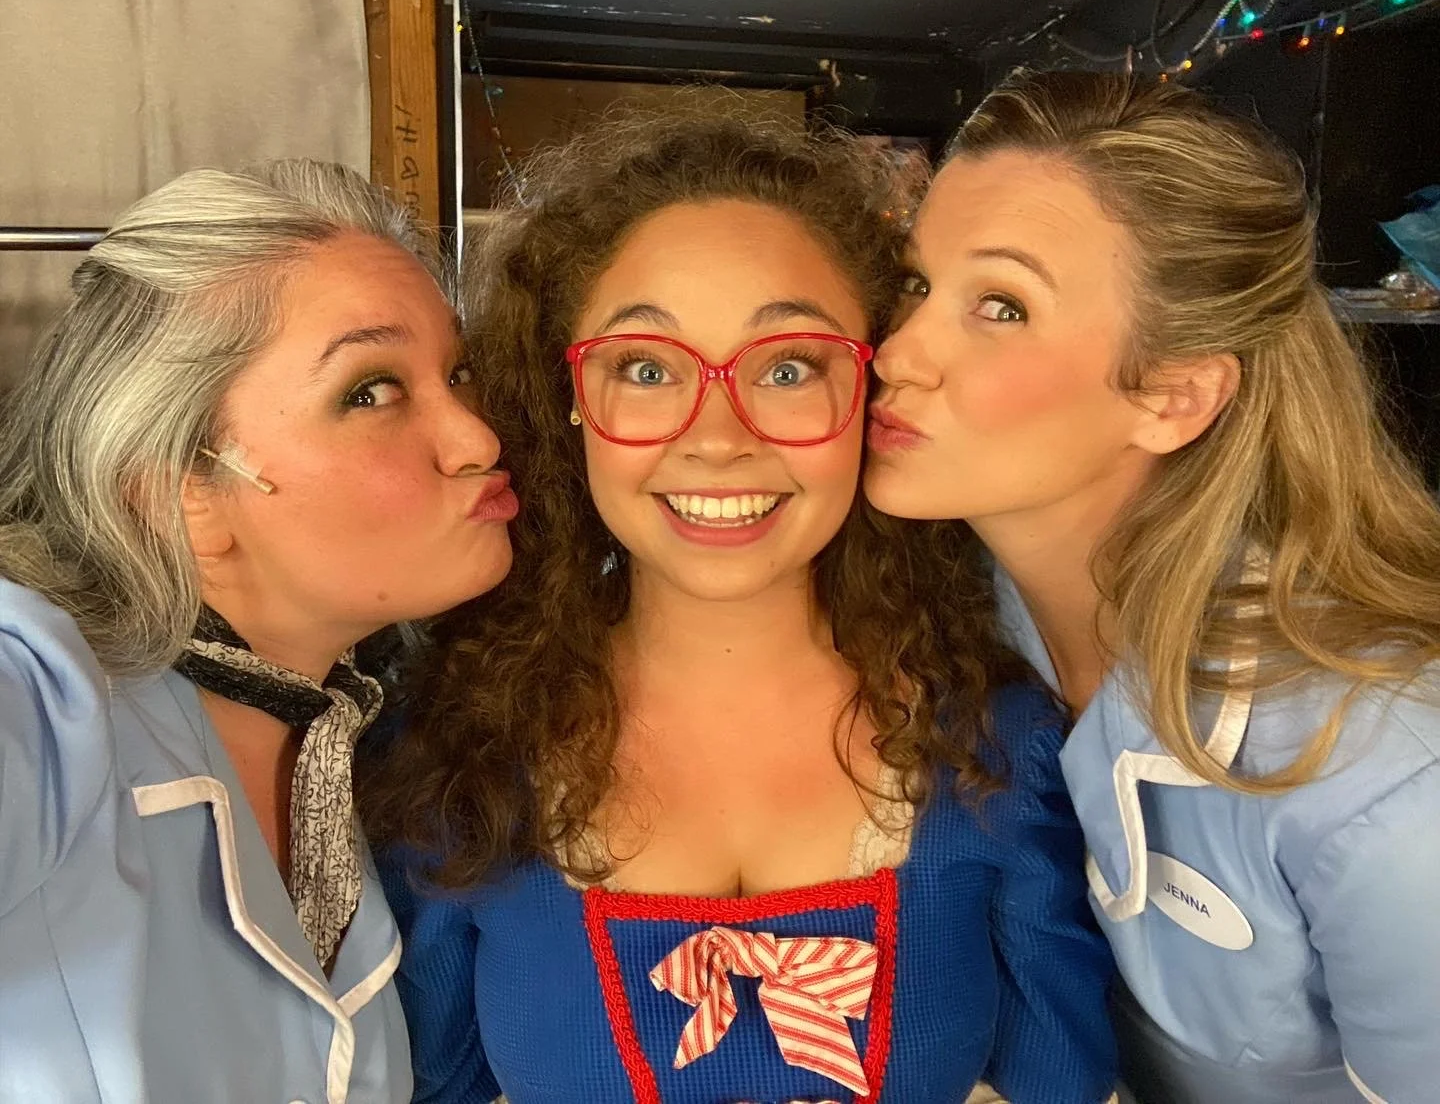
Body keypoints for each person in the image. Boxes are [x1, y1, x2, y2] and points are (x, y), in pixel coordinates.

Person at [366, 114, 1118, 1104]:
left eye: (789, 367)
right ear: (572, 397)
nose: (717, 436)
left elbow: (1066, 1083)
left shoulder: (999, 748)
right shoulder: (454, 762)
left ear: (872, 390)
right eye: (646, 368)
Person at [864, 69, 1440, 1104]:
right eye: (915, 283)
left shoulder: (1387, 773)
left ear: (1173, 395)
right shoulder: (936, 614)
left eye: (1000, 306)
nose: (897, 353)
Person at [0, 160, 518, 1103]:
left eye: (457, 373)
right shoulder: (41, 703)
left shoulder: (363, 747)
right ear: (181, 493)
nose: (478, 437)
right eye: (370, 392)